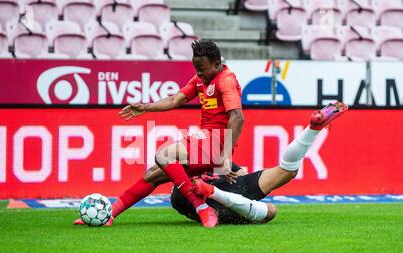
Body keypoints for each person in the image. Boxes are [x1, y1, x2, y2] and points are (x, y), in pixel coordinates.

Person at [74, 39, 244, 228]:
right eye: (196, 68)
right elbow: (174, 100)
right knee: (153, 174)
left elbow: (237, 117)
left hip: (216, 143)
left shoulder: (226, 80)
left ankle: (201, 207)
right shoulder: (201, 79)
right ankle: (109, 214)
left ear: (216, 63)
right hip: (205, 141)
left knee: (164, 155)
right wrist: (145, 107)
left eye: (202, 68)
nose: (198, 73)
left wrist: (226, 156)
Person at [171, 101, 349, 225]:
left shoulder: (177, 186)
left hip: (205, 196)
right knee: (285, 175)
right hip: (227, 189)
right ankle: (313, 128)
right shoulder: (209, 152)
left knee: (272, 204)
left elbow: (159, 175)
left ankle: (214, 192)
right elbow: (240, 173)